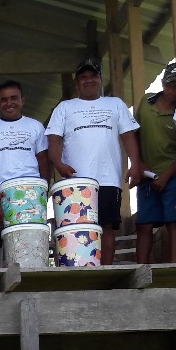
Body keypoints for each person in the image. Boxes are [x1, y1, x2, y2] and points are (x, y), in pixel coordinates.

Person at [47, 58, 142, 266]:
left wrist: (135, 164)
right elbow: (54, 139)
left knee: (106, 226)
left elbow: (128, 135)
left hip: (108, 179)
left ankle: (105, 271)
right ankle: (79, 271)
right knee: (77, 227)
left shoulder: (115, 104)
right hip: (75, 180)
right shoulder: (64, 107)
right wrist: (58, 163)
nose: (88, 80)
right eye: (83, 77)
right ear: (76, 83)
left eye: (93, 76)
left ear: (100, 79)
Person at [135, 62, 176, 264]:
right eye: (169, 85)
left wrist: (167, 175)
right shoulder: (145, 101)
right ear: (162, 82)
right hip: (146, 174)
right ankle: (141, 268)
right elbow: (133, 133)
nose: (171, 90)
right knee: (144, 223)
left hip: (174, 175)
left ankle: (175, 267)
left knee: (174, 222)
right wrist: (138, 163)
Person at [0, 80, 49, 230]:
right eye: (4, 100)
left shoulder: (35, 126)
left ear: (22, 101)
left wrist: (44, 189)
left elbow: (44, 161)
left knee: (28, 235)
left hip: (31, 190)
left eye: (14, 98)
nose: (9, 103)